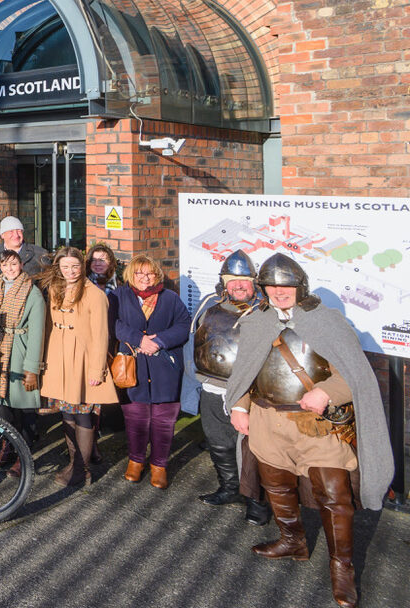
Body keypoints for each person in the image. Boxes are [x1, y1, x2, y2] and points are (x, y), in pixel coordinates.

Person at [226, 254, 394, 608]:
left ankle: (342, 568)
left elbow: (355, 374)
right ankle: (293, 541)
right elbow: (246, 369)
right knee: (276, 484)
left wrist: (326, 392)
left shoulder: (327, 321)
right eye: (270, 285)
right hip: (268, 420)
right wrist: (240, 405)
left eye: (284, 285)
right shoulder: (257, 320)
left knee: (335, 496)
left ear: (299, 286)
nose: (277, 291)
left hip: (318, 427)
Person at [189, 249, 271, 523]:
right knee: (218, 441)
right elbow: (196, 339)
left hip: (251, 391)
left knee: (252, 448)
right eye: (232, 280)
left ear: (254, 282)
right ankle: (230, 488)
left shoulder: (266, 310)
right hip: (213, 386)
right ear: (224, 283)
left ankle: (257, 502)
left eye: (244, 280)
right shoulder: (210, 304)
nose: (238, 285)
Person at [40, 246, 118, 486]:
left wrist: (97, 370)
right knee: (66, 412)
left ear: (82, 266)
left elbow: (101, 335)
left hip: (83, 361)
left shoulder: (95, 294)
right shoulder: (54, 288)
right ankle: (74, 462)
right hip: (58, 359)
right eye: (65, 267)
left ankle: (82, 470)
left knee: (83, 413)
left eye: (75, 266)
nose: (70, 271)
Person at [112, 254, 190, 489]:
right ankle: (136, 461)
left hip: (165, 369)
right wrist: (139, 339)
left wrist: (161, 341)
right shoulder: (118, 296)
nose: (145, 278)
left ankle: (159, 465)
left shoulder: (170, 298)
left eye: (150, 273)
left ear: (157, 275)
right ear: (130, 275)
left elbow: (184, 326)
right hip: (132, 368)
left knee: (163, 421)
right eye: (139, 273)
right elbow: (113, 323)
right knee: (135, 418)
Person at [0, 249, 46, 451]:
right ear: (0, 267)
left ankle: (24, 450)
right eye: (5, 264)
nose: (9, 269)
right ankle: (6, 446)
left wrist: (32, 368)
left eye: (13, 264)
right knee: (4, 402)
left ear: (22, 265)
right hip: (0, 347)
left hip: (20, 349)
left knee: (25, 404)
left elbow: (37, 334)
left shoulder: (32, 292)